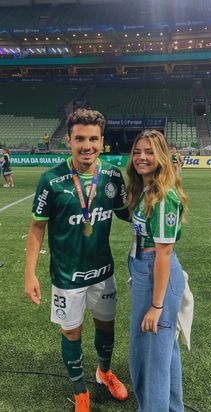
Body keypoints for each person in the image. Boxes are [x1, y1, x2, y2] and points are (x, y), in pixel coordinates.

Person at [25, 109, 129, 412]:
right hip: (67, 277)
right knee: (72, 332)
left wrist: (156, 195)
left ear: (102, 141)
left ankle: (104, 373)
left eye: (93, 138)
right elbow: (36, 228)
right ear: (68, 141)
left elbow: (126, 212)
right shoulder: (51, 180)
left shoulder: (111, 175)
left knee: (106, 327)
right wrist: (29, 275)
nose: (87, 145)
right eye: (80, 138)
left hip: (102, 272)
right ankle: (80, 390)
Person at [126, 129, 188, 412]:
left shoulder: (163, 196)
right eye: (138, 151)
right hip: (146, 271)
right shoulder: (149, 189)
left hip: (156, 277)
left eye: (149, 152)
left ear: (161, 156)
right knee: (163, 353)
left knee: (149, 357)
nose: (141, 157)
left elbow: (164, 253)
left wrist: (156, 305)